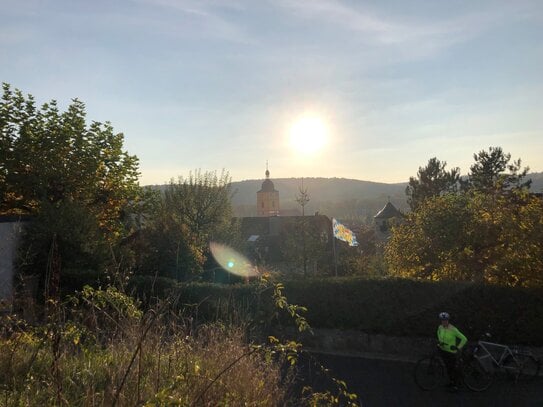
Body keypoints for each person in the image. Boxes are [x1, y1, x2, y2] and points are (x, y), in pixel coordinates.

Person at [437, 312, 467, 392]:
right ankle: (451, 382)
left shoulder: (453, 329)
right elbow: (439, 334)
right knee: (448, 368)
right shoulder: (440, 327)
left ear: (448, 320)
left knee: (454, 369)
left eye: (445, 320)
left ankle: (456, 385)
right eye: (442, 320)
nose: (444, 322)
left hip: (451, 352)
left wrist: (458, 348)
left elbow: (464, 339)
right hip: (444, 351)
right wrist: (440, 342)